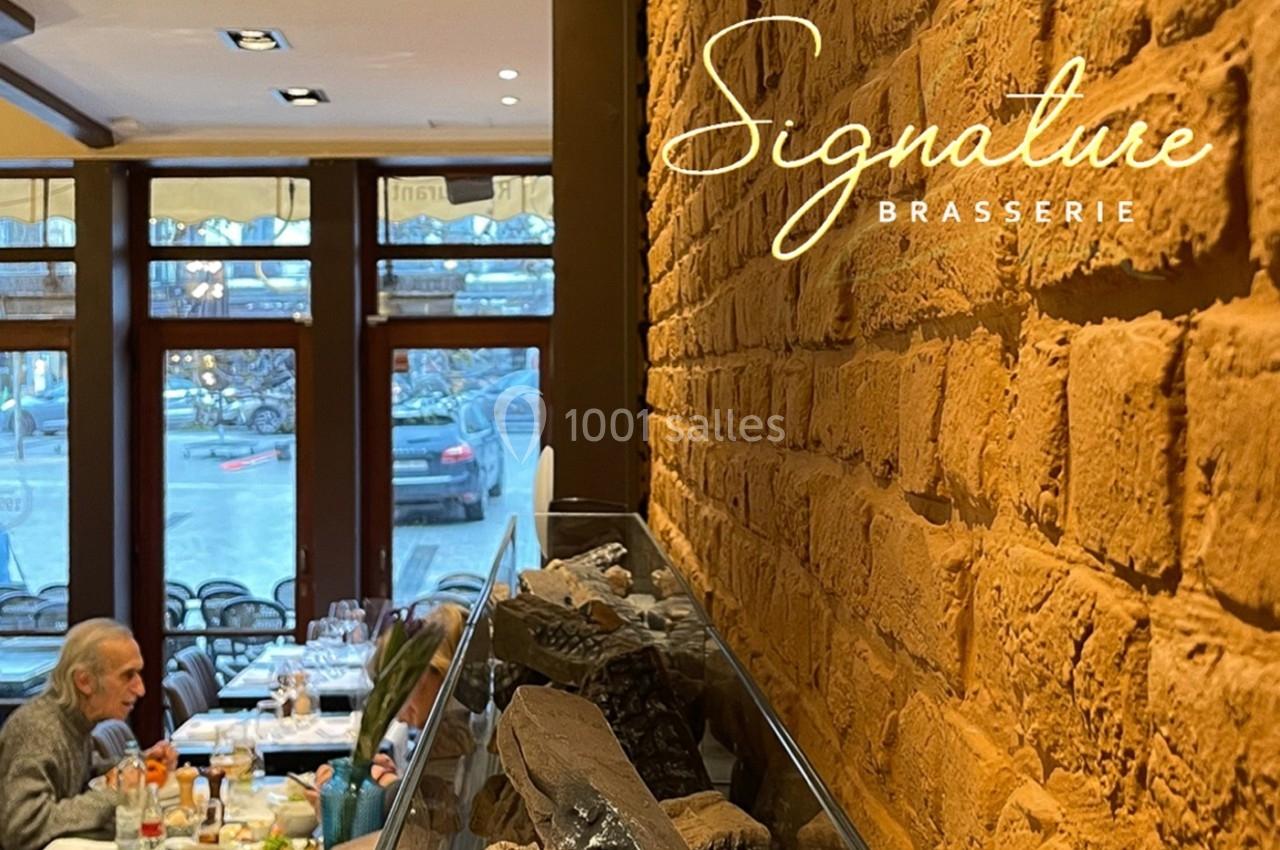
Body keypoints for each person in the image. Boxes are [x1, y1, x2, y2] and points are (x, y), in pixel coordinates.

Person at [0, 619, 178, 850]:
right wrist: (118, 792)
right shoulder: (37, 730)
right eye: (128, 675)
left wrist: (140, 764)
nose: (140, 689)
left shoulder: (73, 722)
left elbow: (84, 775)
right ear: (84, 681)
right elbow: (23, 829)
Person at [306, 603, 466, 818]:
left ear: (428, 672)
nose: (398, 717)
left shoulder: (452, 735)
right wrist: (391, 777)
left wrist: (382, 785)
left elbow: (434, 813)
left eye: (396, 692)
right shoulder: (444, 723)